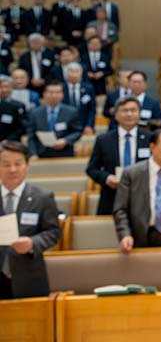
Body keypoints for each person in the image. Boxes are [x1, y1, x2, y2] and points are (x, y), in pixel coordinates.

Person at [0, 140, 61, 299]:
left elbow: (53, 232)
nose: (12, 169)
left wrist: (33, 243)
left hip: (28, 276)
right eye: (6, 164)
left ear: (26, 165)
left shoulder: (42, 197)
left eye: (18, 164)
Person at [86, 96, 151, 215]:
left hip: (143, 197)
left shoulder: (150, 139)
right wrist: (107, 178)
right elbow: (91, 169)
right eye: (125, 110)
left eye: (133, 110)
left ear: (139, 113)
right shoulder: (103, 140)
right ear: (116, 115)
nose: (129, 114)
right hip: (112, 198)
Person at [26, 81, 82, 158]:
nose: (54, 95)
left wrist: (65, 140)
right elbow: (31, 136)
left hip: (64, 154)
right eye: (51, 92)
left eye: (58, 92)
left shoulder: (71, 112)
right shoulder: (35, 113)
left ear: (62, 94)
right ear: (44, 94)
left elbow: (77, 132)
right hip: (41, 154)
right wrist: (33, 154)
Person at [61, 63, 96, 135]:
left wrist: (89, 125)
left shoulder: (88, 88)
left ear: (81, 73)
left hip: (83, 125)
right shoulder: (61, 88)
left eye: (77, 71)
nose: (74, 75)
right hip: (65, 125)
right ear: (66, 74)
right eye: (71, 71)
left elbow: (92, 109)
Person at [0, 77, 27, 141]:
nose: (4, 90)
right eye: (1, 87)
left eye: (7, 87)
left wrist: (7, 141)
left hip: (9, 143)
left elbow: (21, 127)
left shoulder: (18, 106)